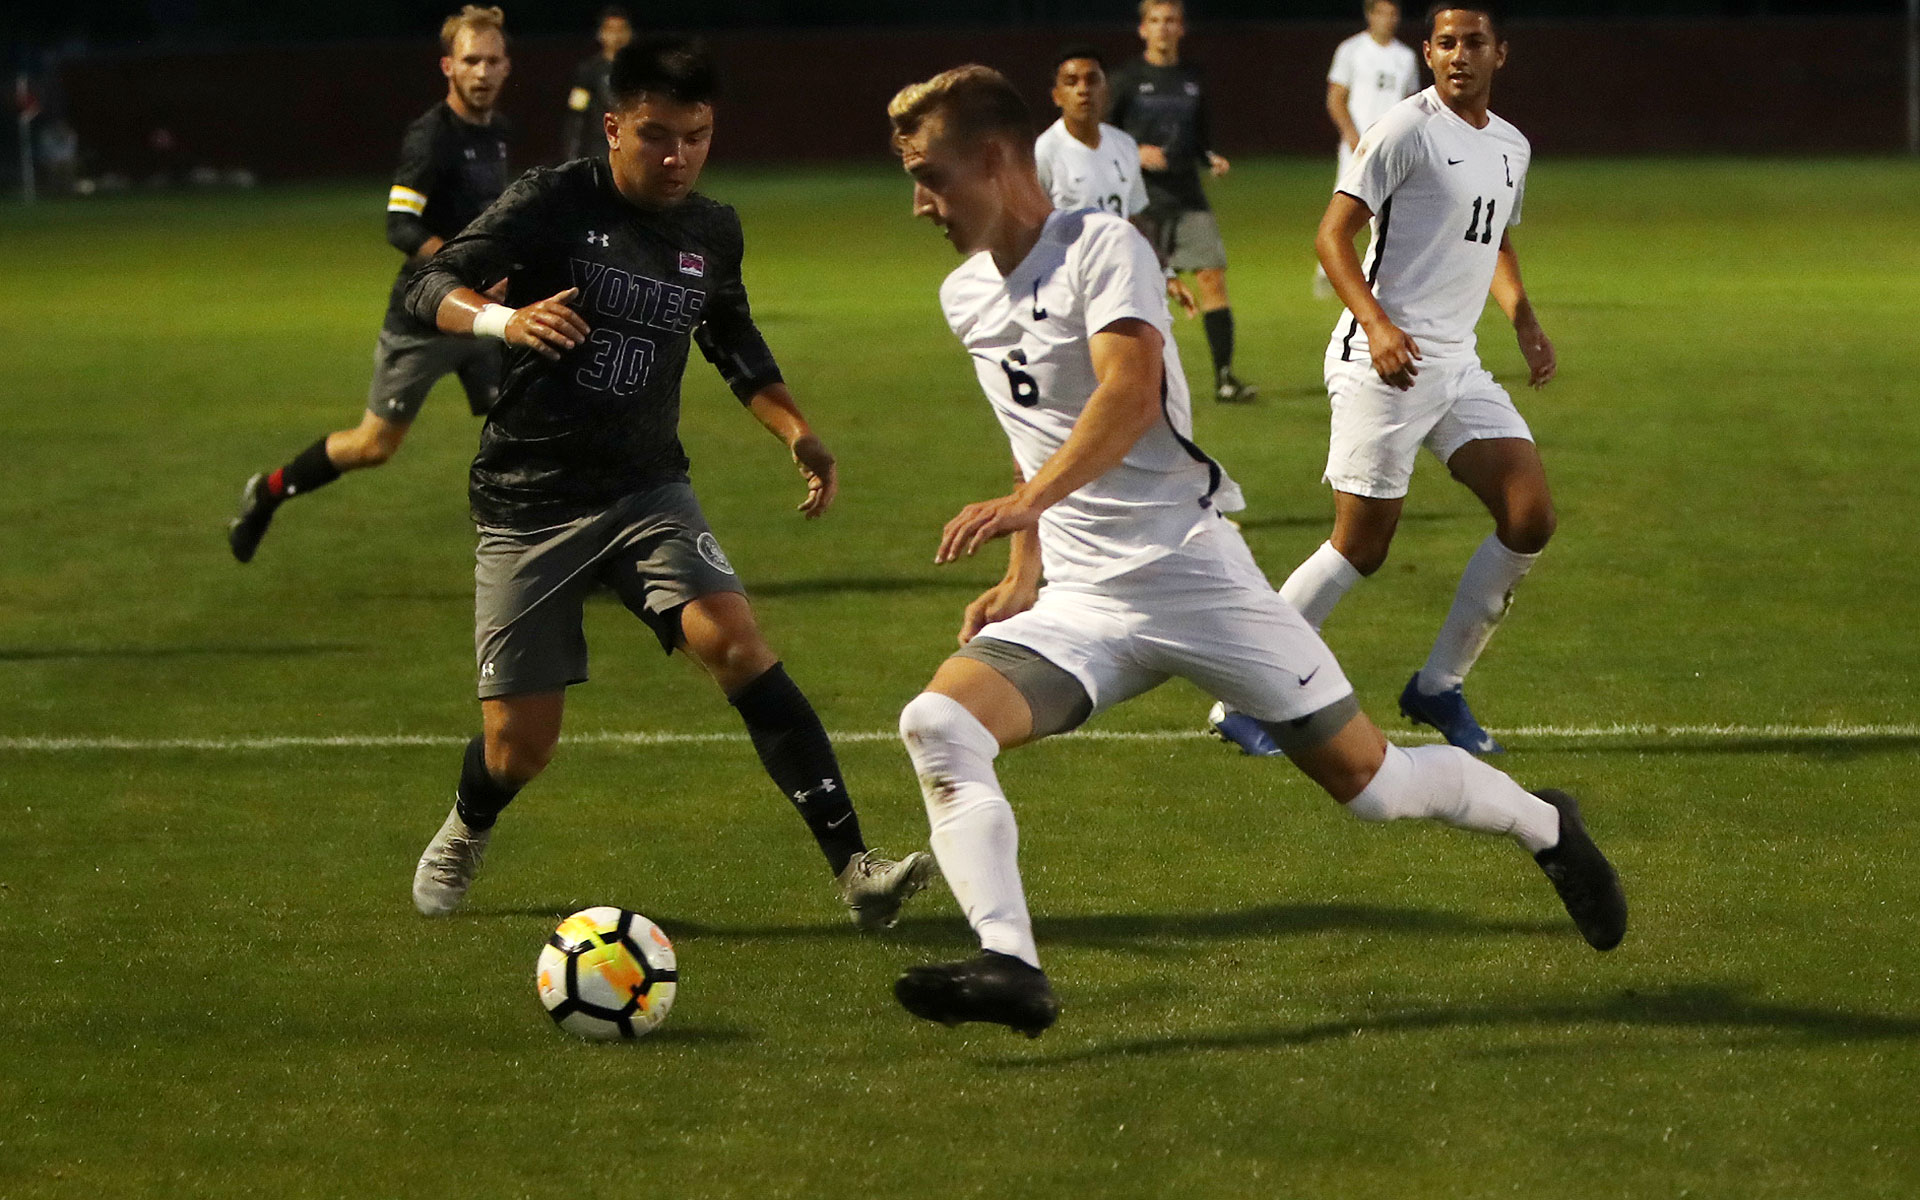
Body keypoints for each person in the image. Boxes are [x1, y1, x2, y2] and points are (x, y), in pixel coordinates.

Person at [882, 65, 1624, 1037]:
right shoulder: (965, 296)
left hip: (1197, 580)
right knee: (938, 723)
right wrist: (1025, 563)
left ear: (989, 159)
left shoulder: (1101, 246)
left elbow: (1129, 395)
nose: (918, 203)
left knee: (1377, 790)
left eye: (929, 175)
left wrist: (1025, 504)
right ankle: (1009, 965)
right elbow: (1037, 430)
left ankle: (1546, 824)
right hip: (1083, 605)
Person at [401, 35, 933, 927]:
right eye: (656, 134)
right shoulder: (554, 200)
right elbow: (428, 281)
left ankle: (857, 870)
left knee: (737, 644)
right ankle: (468, 822)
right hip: (528, 500)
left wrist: (797, 430)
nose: (678, 155)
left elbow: (734, 343)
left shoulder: (711, 230)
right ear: (612, 128)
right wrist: (504, 319)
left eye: (697, 135)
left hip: (648, 489)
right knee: (519, 748)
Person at [1216, 2, 1558, 759]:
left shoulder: (1511, 145)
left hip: (1456, 364)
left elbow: (1494, 234)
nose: (1458, 54)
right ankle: (1240, 699)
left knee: (1529, 515)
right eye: (1445, 43)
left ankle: (1438, 687)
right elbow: (1331, 236)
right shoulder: (1407, 128)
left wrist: (1523, 318)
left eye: (1474, 42)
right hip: (1384, 364)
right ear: (1428, 54)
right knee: (1361, 546)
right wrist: (1376, 325)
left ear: (1502, 53)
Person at [227, 5, 514, 564]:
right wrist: (465, 270)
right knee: (373, 446)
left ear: (508, 67)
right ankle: (268, 491)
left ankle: (568, 555)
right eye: (470, 61)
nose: (482, 72)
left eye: (493, 61)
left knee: (531, 423)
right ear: (448, 67)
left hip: (484, 316)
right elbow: (401, 225)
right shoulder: (430, 138)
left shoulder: (499, 133)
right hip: (425, 319)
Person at [1108, 0, 1256, 404]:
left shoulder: (1193, 77)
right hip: (1143, 202)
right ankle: (1133, 383)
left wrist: (1212, 157)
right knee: (1142, 290)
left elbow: (1200, 135)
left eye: (1170, 20)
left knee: (1212, 275)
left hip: (1188, 194)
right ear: (1142, 30)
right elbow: (1101, 137)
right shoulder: (1126, 80)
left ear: (1181, 28)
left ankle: (1225, 378)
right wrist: (1135, 152)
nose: (1162, 28)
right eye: (1154, 21)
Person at [1315, 0, 1419, 298]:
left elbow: (1411, 103)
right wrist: (1351, 134)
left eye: (1393, 13)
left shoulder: (1406, 57)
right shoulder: (1351, 51)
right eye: (1382, 13)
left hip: (1393, 147)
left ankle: (1386, 273)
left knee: (1392, 211)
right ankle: (1328, 270)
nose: (1389, 19)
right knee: (1346, 206)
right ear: (1370, 15)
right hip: (1359, 146)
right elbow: (1336, 98)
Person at [561, 6, 635, 164]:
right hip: (602, 144)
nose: (616, 36)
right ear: (601, 34)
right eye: (611, 30)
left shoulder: (639, 69)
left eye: (621, 30)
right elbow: (576, 114)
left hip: (633, 141)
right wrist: (571, 155)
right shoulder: (590, 70)